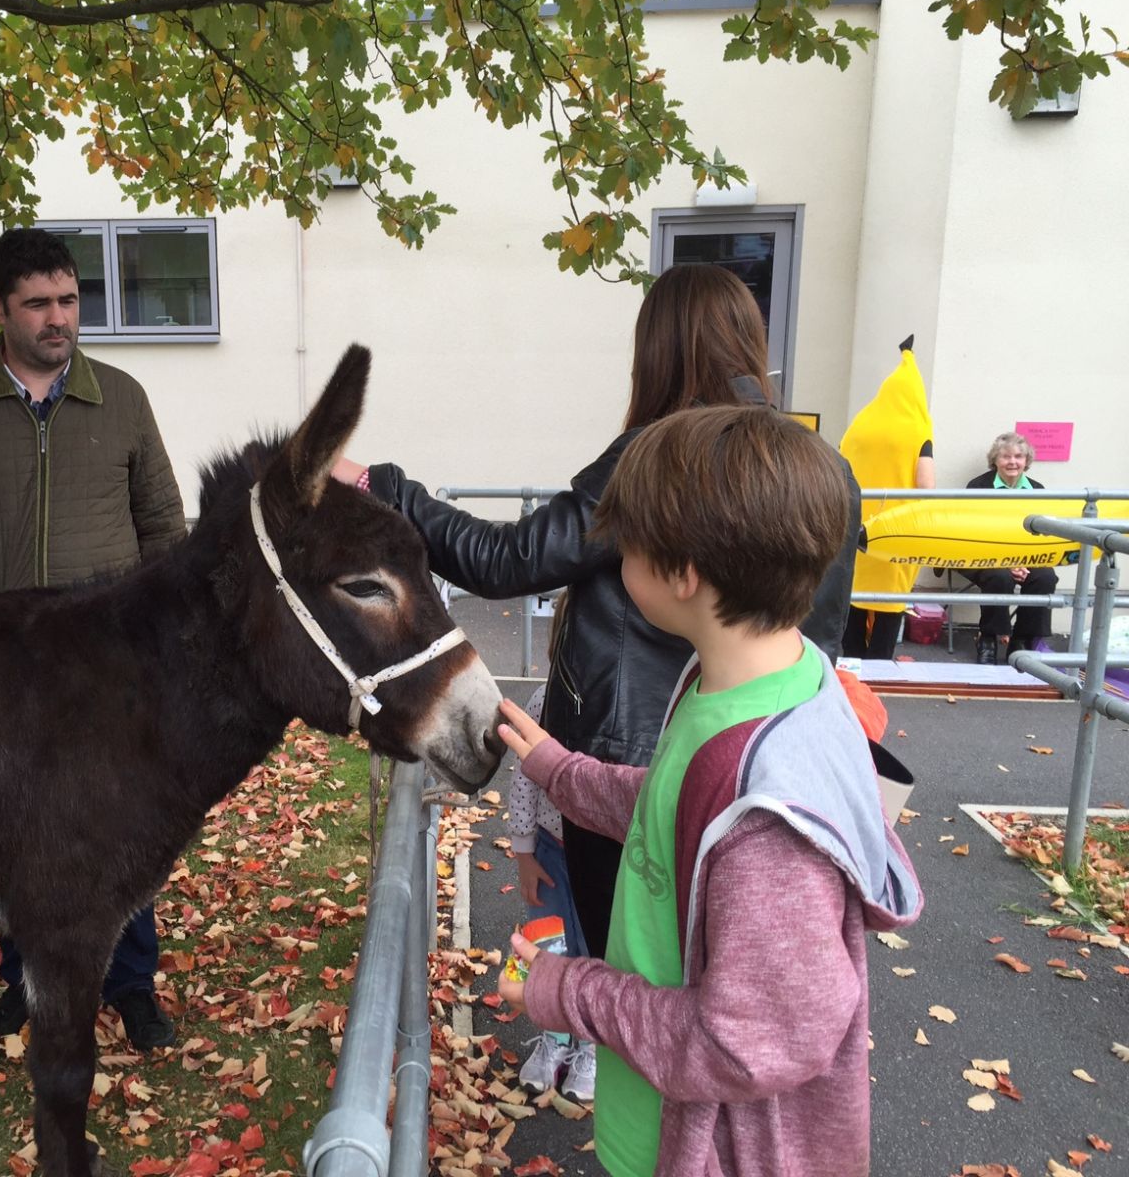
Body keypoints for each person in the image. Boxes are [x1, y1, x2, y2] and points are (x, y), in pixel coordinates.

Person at [334, 263, 861, 980]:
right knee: (710, 971)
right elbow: (820, 642)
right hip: (752, 761)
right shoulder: (811, 469)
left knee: (633, 970)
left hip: (622, 762)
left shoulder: (662, 461)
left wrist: (382, 488)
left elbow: (508, 559)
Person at [497, 405, 923, 1177]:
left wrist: (566, 989)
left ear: (682, 573)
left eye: (626, 544)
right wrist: (563, 774)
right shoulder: (752, 677)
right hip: (659, 1121)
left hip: (713, 1152)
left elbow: (745, 1044)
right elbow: (680, 805)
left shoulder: (772, 822)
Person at [0, 227, 186, 1051]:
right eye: (38, 304)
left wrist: (154, 631)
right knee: (14, 828)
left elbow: (163, 525)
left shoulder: (120, 398)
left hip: (107, 669)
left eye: (68, 300)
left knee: (117, 830)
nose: (59, 319)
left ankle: (131, 987)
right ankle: (26, 982)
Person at [506, 664, 595, 1102]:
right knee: (549, 945)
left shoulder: (632, 701)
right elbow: (523, 779)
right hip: (551, 852)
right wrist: (523, 853)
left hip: (606, 856)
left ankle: (593, 1044)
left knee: (599, 949)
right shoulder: (545, 700)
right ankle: (555, 1040)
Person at [839, 340, 934, 659]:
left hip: (855, 526)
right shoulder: (918, 430)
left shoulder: (859, 426)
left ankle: (851, 665)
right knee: (889, 602)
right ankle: (878, 666)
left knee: (855, 596)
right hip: (897, 532)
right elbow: (926, 485)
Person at [963, 431, 1057, 663]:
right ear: (995, 460)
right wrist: (1006, 562)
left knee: (1045, 577)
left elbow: (1042, 535)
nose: (1012, 462)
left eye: (1018, 456)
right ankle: (989, 638)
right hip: (981, 555)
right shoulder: (978, 487)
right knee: (999, 577)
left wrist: (1025, 562)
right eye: (1006, 456)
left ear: (1026, 461)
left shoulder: (1038, 490)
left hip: (1026, 556)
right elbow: (973, 533)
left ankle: (1023, 640)